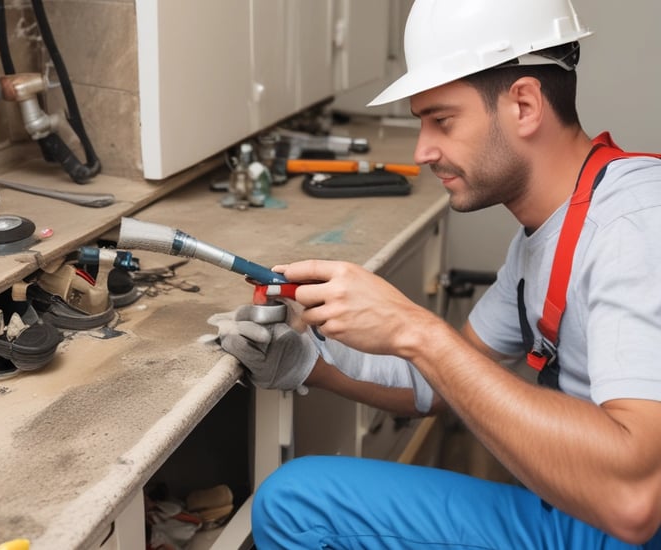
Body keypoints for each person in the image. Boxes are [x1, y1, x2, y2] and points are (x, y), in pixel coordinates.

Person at [211, 0, 661, 547]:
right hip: (584, 509)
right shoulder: (547, 234)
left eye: (442, 121)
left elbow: (636, 503)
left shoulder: (634, 224)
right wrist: (313, 363)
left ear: (523, 104)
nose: (423, 151)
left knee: (297, 503)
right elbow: (449, 382)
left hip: (624, 526)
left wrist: (415, 330)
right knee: (299, 502)